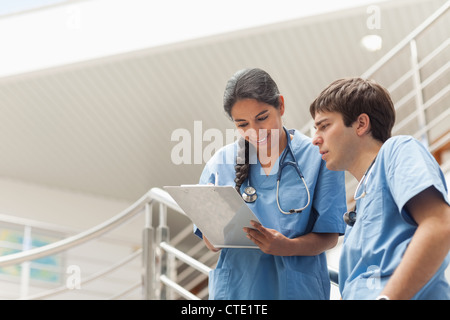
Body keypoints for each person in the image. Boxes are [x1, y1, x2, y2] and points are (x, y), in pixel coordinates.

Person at [194, 68, 347, 299]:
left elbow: (329, 235)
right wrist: (211, 225)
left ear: (281, 106)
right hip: (238, 291)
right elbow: (212, 243)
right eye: (243, 124)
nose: (254, 131)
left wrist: (288, 247)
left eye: (262, 118)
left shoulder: (319, 156)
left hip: (296, 290)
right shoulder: (220, 164)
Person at [309, 77, 450, 300]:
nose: (315, 139)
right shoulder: (362, 202)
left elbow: (440, 225)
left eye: (324, 126)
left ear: (361, 124)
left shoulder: (397, 150)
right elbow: (362, 279)